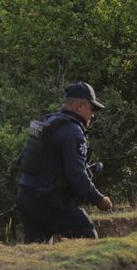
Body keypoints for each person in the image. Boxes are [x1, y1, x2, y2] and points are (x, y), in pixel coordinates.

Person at [15, 82, 114, 243]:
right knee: (87, 234)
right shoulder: (74, 131)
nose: (92, 115)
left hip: (25, 195)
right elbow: (76, 173)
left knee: (37, 248)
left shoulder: (48, 121)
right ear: (80, 106)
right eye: (92, 109)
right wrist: (99, 200)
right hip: (47, 201)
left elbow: (23, 160)